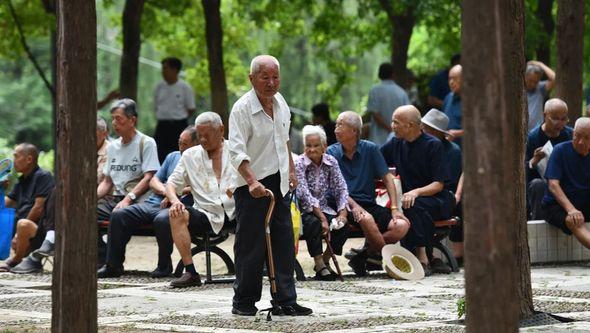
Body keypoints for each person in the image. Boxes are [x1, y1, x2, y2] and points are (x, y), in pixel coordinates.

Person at [228, 55, 312, 316]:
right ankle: (243, 300)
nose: (271, 82)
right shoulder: (242, 109)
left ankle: (285, 299)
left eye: (275, 77)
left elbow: (284, 139)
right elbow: (236, 152)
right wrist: (252, 181)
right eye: (265, 77)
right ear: (251, 78)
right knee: (251, 245)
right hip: (251, 183)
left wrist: (291, 169)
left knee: (283, 241)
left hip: (279, 181)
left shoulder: (281, 103)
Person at [97, 127, 198, 278]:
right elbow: (154, 180)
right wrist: (167, 191)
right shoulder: (173, 156)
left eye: (185, 144)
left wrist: (174, 194)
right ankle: (113, 266)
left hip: (178, 206)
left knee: (162, 219)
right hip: (154, 202)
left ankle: (164, 266)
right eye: (179, 143)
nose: (181, 147)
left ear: (196, 144)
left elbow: (199, 186)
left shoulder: (200, 160)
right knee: (119, 214)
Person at [327, 111, 410, 276]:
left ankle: (362, 256)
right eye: (336, 125)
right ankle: (392, 264)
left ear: (354, 131)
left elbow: (388, 179)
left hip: (368, 204)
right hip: (343, 204)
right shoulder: (331, 153)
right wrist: (355, 206)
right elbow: (335, 188)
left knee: (401, 226)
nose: (335, 130)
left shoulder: (370, 149)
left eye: (340, 125)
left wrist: (394, 208)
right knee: (366, 219)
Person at [381, 106, 455, 275]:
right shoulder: (395, 143)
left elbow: (438, 184)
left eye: (396, 122)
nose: (392, 126)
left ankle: (422, 257)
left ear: (411, 125)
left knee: (413, 205)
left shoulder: (433, 145)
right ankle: (430, 256)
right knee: (407, 206)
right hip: (409, 201)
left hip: (437, 199)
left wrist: (416, 192)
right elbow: (376, 159)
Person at [167, 112, 237, 288]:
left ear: (221, 130)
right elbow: (171, 185)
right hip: (206, 213)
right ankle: (190, 272)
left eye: (207, 135)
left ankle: (255, 268)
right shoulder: (190, 155)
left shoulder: (236, 149)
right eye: (200, 136)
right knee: (176, 213)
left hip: (237, 209)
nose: (203, 140)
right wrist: (175, 200)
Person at [96, 99, 160, 264]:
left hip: (139, 201)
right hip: (115, 199)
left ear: (132, 120)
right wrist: (89, 199)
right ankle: (102, 257)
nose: (115, 123)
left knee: (119, 214)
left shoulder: (146, 143)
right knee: (84, 212)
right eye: (113, 119)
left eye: (119, 118)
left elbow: (149, 177)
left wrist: (128, 198)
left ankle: (113, 265)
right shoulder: (112, 147)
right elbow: (107, 182)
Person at [295, 125, 349, 281]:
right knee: (313, 223)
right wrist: (323, 219)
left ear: (324, 146)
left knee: (342, 225)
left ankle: (325, 260)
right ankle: (319, 263)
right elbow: (303, 194)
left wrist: (342, 213)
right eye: (308, 146)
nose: (311, 149)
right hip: (304, 209)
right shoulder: (299, 163)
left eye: (316, 145)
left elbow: (341, 188)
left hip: (324, 207)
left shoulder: (330, 161)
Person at [0, 143, 54, 272]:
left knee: (23, 224)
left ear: (29, 159)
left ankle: (16, 260)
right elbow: (5, 204)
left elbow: (39, 208)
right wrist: (1, 190)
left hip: (39, 232)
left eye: (16, 156)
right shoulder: (21, 181)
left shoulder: (43, 176)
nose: (14, 160)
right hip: (20, 233)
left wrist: (18, 235)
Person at [420, 108, 464, 265]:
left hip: (443, 195)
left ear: (435, 131)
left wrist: (456, 196)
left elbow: (448, 181)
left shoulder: (452, 151)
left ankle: (453, 254)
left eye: (426, 128)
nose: (422, 130)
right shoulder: (421, 146)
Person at [541, 117, 590, 250]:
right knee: (573, 220)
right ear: (573, 133)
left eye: (586, 138)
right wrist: (571, 209)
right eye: (577, 136)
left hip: (584, 202)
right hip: (557, 206)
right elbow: (553, 185)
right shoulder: (560, 150)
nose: (580, 141)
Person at [526, 98, 573, 220]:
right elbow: (526, 169)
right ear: (545, 115)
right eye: (555, 119)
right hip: (542, 182)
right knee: (537, 185)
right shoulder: (533, 137)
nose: (560, 123)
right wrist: (535, 160)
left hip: (565, 181)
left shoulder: (570, 135)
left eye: (564, 119)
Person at [154, 57, 196, 163]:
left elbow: (191, 108)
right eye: (163, 68)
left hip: (179, 125)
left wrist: (179, 117)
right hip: (162, 125)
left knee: (180, 152)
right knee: (159, 152)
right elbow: (155, 106)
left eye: (166, 68)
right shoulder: (159, 87)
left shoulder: (185, 87)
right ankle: (159, 177)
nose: (163, 71)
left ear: (175, 70)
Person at [366, 63, 410, 145]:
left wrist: (389, 128)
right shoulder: (401, 92)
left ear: (379, 75)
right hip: (397, 139)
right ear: (393, 74)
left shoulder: (374, 90)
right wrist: (394, 130)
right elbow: (408, 115)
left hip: (377, 140)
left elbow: (375, 114)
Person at [525, 60, 555, 132]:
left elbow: (554, 78)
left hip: (536, 131)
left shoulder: (540, 88)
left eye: (535, 82)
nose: (532, 84)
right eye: (530, 80)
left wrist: (540, 64)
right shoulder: (518, 90)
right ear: (525, 76)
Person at [442, 64, 464, 145]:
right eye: (449, 79)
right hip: (450, 147)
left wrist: (458, 133)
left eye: (455, 78)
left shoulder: (472, 102)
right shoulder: (448, 98)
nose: (451, 82)